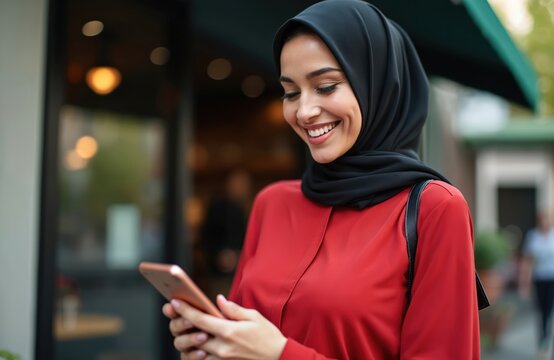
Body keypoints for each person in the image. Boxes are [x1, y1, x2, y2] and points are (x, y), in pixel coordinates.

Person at [163, 1, 481, 358]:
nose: (304, 111)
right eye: (291, 92)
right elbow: (243, 339)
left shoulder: (434, 209)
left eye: (326, 86)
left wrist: (280, 354)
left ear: (377, 86)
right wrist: (212, 345)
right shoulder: (273, 203)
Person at [519, 211, 554, 356]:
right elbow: (527, 261)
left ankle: (548, 342)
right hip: (540, 279)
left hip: (552, 278)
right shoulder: (533, 236)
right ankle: (543, 340)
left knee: (551, 311)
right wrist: (524, 283)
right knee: (543, 312)